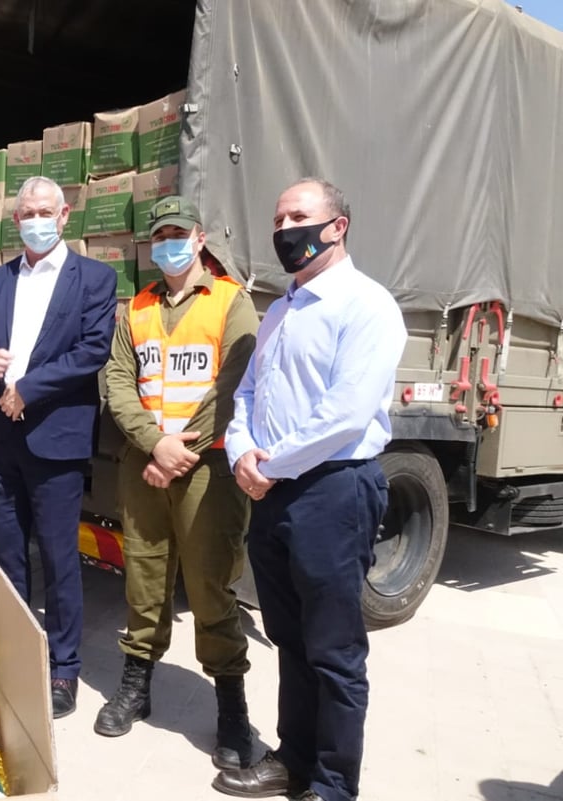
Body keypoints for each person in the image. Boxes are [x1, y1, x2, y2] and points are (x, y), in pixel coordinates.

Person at [214, 179, 406, 801]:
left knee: (334, 652)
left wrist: (272, 464)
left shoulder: (366, 305)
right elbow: (247, 395)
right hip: (271, 491)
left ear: (337, 226)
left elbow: (346, 414)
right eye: (278, 217)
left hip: (332, 490)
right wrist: (243, 452)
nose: (285, 227)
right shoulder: (279, 310)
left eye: (299, 215)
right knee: (289, 637)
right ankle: (292, 758)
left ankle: (331, 783)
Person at [98, 195, 258, 769]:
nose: (168, 242)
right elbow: (117, 380)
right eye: (159, 234)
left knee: (212, 585)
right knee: (143, 577)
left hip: (206, 470)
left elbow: (236, 382)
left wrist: (178, 449)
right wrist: (154, 443)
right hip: (146, 465)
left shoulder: (229, 302)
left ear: (198, 239)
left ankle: (232, 705)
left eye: (178, 233)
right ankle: (136, 686)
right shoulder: (136, 308)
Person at [0, 175, 117, 718]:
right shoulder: (0, 279)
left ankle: (63, 668)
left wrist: (27, 389)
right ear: (16, 222)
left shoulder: (95, 279)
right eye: (25, 212)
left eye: (44, 211)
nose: (34, 219)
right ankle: (9, 653)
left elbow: (92, 350)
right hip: (3, 441)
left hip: (56, 438)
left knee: (59, 559)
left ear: (64, 215)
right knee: (7, 556)